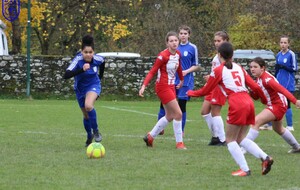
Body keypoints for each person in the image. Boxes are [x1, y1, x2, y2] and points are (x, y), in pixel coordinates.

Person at [187, 42, 273, 177]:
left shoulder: (218, 70)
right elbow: (255, 87)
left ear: (219, 55)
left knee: (230, 140)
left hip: (237, 103)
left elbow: (206, 90)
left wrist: (191, 93)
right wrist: (262, 99)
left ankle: (245, 169)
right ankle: (265, 158)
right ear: (232, 55)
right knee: (240, 138)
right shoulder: (239, 68)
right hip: (248, 102)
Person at [139, 31, 186, 149]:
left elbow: (179, 67)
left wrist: (181, 80)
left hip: (171, 86)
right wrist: (144, 85)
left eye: (176, 40)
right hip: (162, 87)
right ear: (167, 43)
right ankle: (179, 143)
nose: (174, 43)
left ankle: (150, 136)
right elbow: (152, 71)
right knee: (178, 113)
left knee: (170, 115)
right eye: (171, 41)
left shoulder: (178, 54)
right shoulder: (163, 56)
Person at [245, 57, 300, 153]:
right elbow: (257, 98)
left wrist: (295, 101)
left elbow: (282, 89)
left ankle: (243, 148)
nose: (252, 69)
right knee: (278, 129)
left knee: (255, 122)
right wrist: (249, 91)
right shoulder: (258, 79)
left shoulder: (267, 79)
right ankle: (297, 147)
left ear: (262, 68)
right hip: (275, 105)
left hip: (278, 105)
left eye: (255, 67)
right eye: (251, 67)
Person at [157, 25, 200, 135]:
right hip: (171, 81)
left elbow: (196, 65)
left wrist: (186, 71)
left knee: (181, 105)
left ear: (189, 35)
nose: (183, 35)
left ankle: (181, 129)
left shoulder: (192, 48)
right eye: (181, 33)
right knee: (164, 103)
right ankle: (160, 127)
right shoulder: (174, 47)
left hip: (185, 81)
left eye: (185, 33)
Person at [63, 35, 105, 147]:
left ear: (93, 52)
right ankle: (89, 135)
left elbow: (103, 63)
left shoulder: (97, 59)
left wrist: (100, 78)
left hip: (93, 85)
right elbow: (66, 75)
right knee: (86, 116)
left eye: (90, 52)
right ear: (82, 52)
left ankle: (96, 131)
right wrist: (81, 70)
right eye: (85, 52)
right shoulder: (78, 60)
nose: (88, 54)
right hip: (80, 89)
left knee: (88, 106)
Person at [201, 31, 229, 145]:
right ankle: (215, 136)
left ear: (225, 41)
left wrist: (212, 78)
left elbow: (225, 71)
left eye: (219, 41)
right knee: (204, 112)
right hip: (212, 86)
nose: (216, 43)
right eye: (215, 41)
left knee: (215, 112)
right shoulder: (217, 55)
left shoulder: (226, 55)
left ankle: (222, 139)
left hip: (219, 87)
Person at [275, 35, 298, 132]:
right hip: (278, 83)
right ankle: (269, 123)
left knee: (287, 104)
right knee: (275, 102)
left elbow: (294, 68)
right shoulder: (278, 55)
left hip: (288, 83)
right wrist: (274, 78)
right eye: (281, 42)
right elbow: (277, 69)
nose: (283, 44)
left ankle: (290, 125)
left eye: (285, 43)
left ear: (288, 44)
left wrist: (284, 67)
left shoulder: (291, 54)